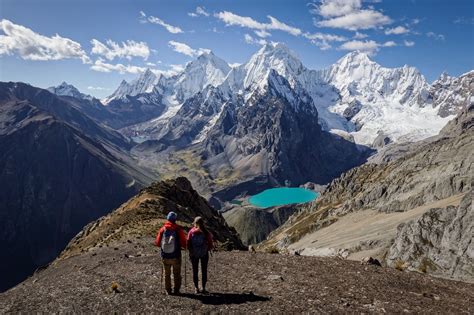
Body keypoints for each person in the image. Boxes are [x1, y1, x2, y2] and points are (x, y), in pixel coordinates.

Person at [155, 211, 187, 295]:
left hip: (165, 256)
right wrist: (186, 247)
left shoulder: (162, 229)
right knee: (176, 274)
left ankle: (168, 291)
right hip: (176, 256)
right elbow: (184, 242)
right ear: (175, 220)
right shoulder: (178, 229)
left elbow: (158, 243)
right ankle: (176, 290)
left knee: (167, 274)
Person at [187, 216, 214, 294]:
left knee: (195, 271)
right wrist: (207, 249)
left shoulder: (191, 232)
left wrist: (191, 251)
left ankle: (196, 288)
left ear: (195, 223)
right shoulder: (206, 232)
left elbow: (188, 242)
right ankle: (203, 288)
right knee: (204, 270)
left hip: (194, 254)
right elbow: (210, 243)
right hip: (204, 253)